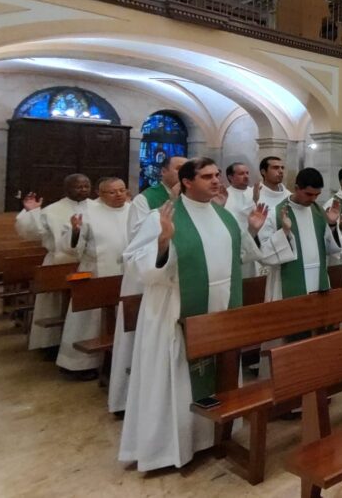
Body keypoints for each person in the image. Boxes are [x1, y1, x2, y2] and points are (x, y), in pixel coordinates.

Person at [119, 158, 295, 472]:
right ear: (186, 182)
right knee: (177, 379)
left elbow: (242, 257)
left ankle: (214, 436)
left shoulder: (224, 217)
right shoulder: (162, 216)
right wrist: (162, 241)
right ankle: (170, 448)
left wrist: (252, 231)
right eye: (207, 176)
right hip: (174, 314)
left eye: (216, 175)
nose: (216, 181)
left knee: (219, 373)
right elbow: (135, 265)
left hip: (220, 315)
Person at [57, 177, 130, 380]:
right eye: (112, 192)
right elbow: (70, 248)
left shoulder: (133, 210)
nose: (119, 195)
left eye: (122, 190)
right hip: (96, 273)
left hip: (126, 275)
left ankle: (118, 361)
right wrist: (76, 231)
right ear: (100, 193)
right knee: (87, 321)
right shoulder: (88, 212)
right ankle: (78, 364)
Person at [15, 173, 91, 351]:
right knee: (54, 306)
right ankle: (50, 344)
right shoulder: (53, 210)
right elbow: (31, 233)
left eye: (86, 186)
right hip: (59, 263)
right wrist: (31, 212)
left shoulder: (96, 208)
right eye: (78, 186)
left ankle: (78, 344)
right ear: (67, 189)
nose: (83, 189)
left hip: (87, 263)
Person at [267, 168, 342, 301]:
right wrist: (285, 232)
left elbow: (333, 249)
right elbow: (265, 254)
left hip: (318, 278)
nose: (313, 199)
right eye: (309, 194)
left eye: (317, 195)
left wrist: (333, 224)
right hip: (287, 280)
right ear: (296, 188)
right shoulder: (275, 214)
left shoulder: (319, 213)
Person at [127, 157, 186, 239]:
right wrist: (172, 202)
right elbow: (137, 235)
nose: (185, 173)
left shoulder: (197, 197)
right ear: (163, 171)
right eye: (179, 169)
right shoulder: (143, 199)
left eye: (188, 170)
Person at [223, 162, 258, 278]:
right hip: (235, 246)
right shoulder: (224, 195)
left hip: (254, 244)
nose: (246, 176)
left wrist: (255, 200)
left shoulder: (254, 192)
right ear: (230, 177)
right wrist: (253, 202)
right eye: (241, 173)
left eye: (247, 173)